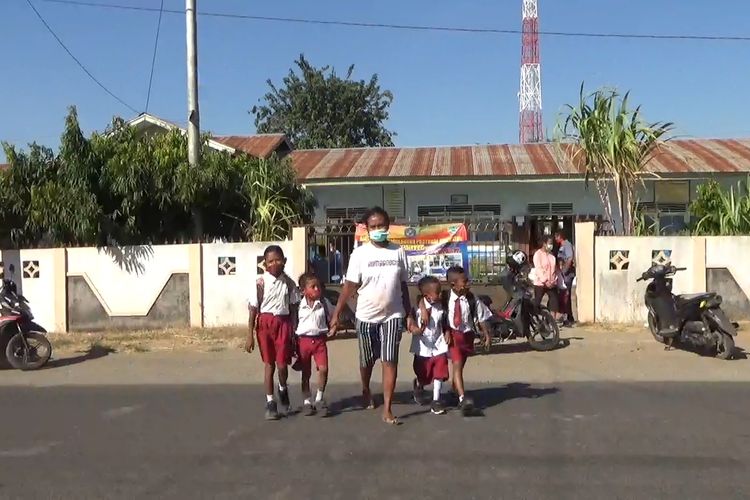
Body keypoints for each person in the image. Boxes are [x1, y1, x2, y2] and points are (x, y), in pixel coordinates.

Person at [329, 206, 414, 425]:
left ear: (388, 226)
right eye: (373, 226)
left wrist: (409, 313)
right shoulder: (360, 254)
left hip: (393, 316)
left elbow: (403, 286)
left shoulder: (398, 252)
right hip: (366, 316)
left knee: (390, 360)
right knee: (367, 360)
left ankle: (387, 408)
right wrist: (336, 313)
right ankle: (366, 388)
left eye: (382, 226)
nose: (378, 229)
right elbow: (349, 287)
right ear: (366, 229)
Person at [246, 245, 301, 421]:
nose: (274, 263)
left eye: (278, 260)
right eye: (270, 261)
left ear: (284, 261)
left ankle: (283, 387)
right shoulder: (260, 283)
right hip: (265, 325)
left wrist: (295, 330)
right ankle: (270, 402)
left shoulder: (290, 283)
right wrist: (249, 335)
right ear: (265, 264)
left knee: (282, 365)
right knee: (269, 365)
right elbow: (253, 309)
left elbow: (293, 308)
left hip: (283, 324)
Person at [443, 265, 492, 415]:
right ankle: (463, 398)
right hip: (453, 335)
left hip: (467, 335)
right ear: (453, 285)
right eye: (464, 281)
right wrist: (445, 330)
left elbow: (480, 316)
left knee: (461, 365)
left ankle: (454, 390)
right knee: (457, 365)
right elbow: (424, 300)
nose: (468, 283)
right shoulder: (445, 297)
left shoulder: (471, 298)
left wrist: (486, 334)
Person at [408, 276, 449, 415]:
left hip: (439, 344)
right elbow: (411, 324)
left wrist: (447, 332)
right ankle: (419, 385)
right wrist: (416, 330)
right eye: (437, 292)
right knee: (423, 374)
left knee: (440, 371)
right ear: (427, 295)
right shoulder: (417, 309)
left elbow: (444, 321)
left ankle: (436, 400)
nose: (440, 294)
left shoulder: (442, 306)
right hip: (422, 346)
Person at [295, 272, 334, 417]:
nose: (317, 289)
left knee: (323, 369)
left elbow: (334, 316)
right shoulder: (298, 305)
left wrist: (334, 327)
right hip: (303, 341)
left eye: (318, 286)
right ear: (303, 290)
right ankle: (307, 401)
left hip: (319, 341)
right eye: (313, 287)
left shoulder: (324, 303)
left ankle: (319, 399)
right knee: (306, 373)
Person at [532, 237, 560, 320]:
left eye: (551, 243)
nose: (550, 245)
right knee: (537, 302)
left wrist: (554, 281)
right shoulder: (538, 254)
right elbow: (539, 269)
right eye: (549, 243)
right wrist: (545, 281)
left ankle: (552, 321)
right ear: (544, 244)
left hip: (551, 283)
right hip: (540, 283)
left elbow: (555, 270)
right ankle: (534, 319)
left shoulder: (552, 256)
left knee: (554, 302)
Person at [555, 231, 576, 327]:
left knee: (566, 296)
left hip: (567, 275)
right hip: (563, 275)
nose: (555, 239)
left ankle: (569, 318)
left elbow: (570, 258)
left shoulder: (567, 245)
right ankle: (567, 317)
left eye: (557, 236)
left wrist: (565, 271)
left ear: (561, 236)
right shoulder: (562, 246)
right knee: (563, 296)